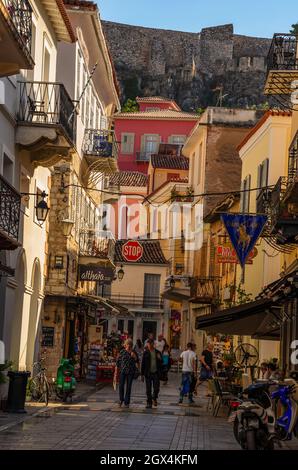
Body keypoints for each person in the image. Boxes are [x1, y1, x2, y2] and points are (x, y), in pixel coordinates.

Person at [114, 338, 138, 408]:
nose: (129, 346)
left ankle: (127, 402)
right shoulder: (122, 352)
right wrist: (116, 370)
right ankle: (121, 399)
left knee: (128, 387)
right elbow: (118, 361)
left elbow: (137, 361)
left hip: (130, 372)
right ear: (125, 345)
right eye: (128, 344)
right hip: (122, 371)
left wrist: (134, 357)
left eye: (130, 344)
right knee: (121, 386)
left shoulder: (133, 352)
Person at [141, 338, 163, 409]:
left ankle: (154, 398)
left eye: (150, 344)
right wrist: (142, 375)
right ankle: (149, 403)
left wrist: (160, 359)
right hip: (148, 373)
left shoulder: (158, 352)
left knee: (156, 388)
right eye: (148, 344)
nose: (149, 345)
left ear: (153, 344)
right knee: (148, 389)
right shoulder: (146, 353)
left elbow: (161, 362)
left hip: (156, 373)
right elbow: (143, 364)